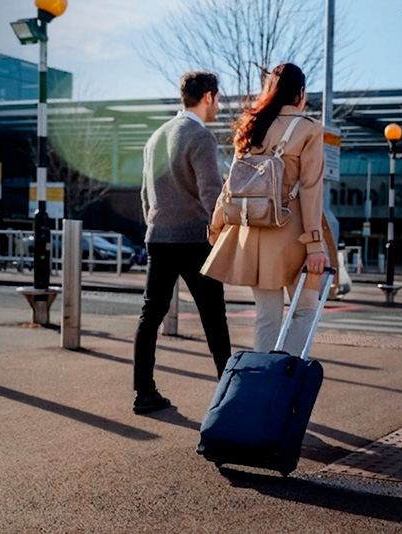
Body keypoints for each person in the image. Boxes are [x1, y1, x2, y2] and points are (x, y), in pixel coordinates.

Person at [203, 63, 330, 357]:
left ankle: (262, 377)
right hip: (293, 234)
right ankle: (285, 374)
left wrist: (217, 226)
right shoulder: (309, 128)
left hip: (253, 234)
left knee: (266, 317)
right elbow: (311, 189)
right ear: (300, 93)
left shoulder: (251, 126)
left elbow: (232, 185)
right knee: (305, 310)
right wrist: (314, 245)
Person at [133, 71, 231, 415]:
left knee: (151, 314)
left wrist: (156, 225)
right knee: (213, 317)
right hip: (195, 239)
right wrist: (222, 232)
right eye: (218, 99)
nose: (218, 106)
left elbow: (145, 194)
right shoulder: (201, 137)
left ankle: (144, 392)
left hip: (159, 237)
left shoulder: (155, 137)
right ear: (207, 96)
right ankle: (229, 395)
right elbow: (211, 192)